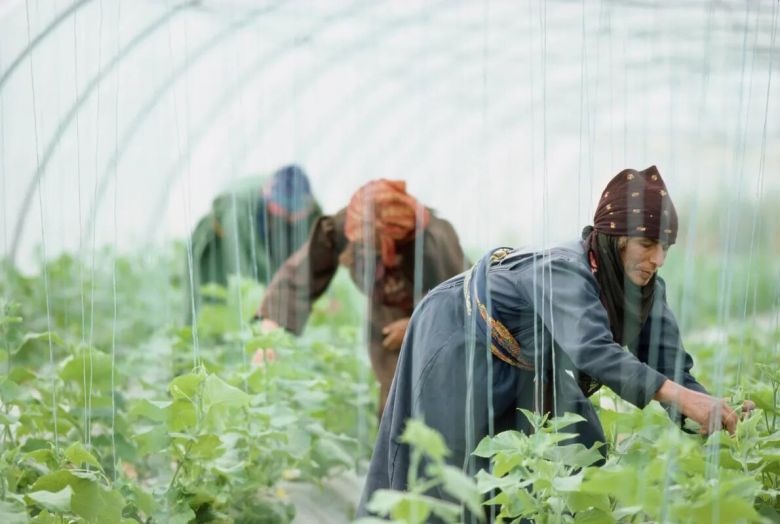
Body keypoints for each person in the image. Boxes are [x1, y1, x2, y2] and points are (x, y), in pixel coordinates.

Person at [357, 166, 754, 518]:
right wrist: (686, 399)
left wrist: (712, 410)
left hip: (528, 362)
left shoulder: (644, 287)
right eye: (647, 245)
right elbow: (594, 350)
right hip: (459, 334)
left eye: (664, 247)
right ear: (614, 240)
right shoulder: (566, 270)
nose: (658, 259)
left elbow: (670, 366)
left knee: (583, 452)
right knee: (450, 473)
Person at [256, 179, 468, 415]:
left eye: (366, 243)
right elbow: (304, 270)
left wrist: (414, 325)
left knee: (444, 395)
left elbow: (462, 302)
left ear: (391, 239)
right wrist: (272, 325)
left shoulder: (435, 241)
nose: (355, 245)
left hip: (440, 318)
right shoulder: (354, 221)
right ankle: (392, 446)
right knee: (394, 397)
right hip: (386, 312)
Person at [185, 165, 321, 322]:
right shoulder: (237, 209)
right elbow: (239, 272)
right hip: (218, 248)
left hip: (266, 249)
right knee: (214, 305)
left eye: (294, 213)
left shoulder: (309, 206)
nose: (289, 217)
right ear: (268, 196)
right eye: (284, 211)